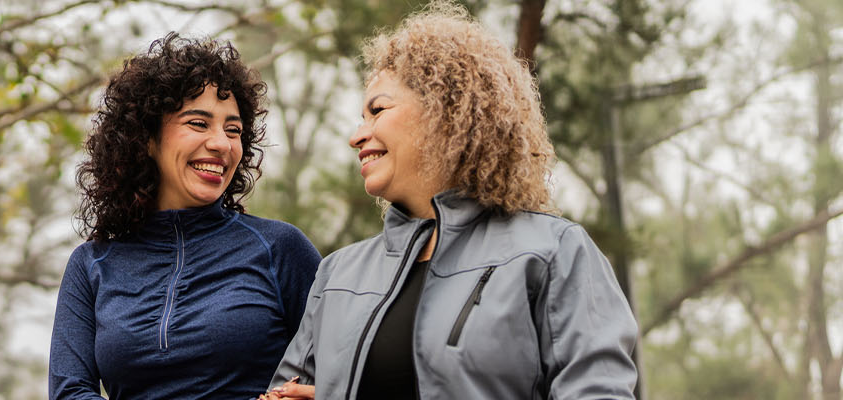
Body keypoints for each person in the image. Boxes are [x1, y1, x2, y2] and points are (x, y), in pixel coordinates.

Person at [263, 4, 639, 400]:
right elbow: (283, 393)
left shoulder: (553, 253)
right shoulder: (338, 275)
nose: (357, 135)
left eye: (378, 110)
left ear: (446, 111)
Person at [49, 32, 323, 399]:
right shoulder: (92, 264)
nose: (221, 144)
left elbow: (346, 372)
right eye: (198, 123)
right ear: (147, 137)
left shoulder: (280, 249)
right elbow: (70, 391)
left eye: (233, 130)